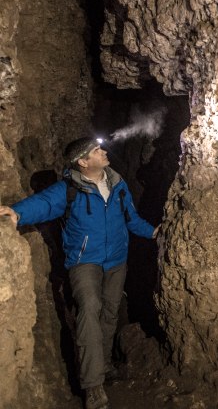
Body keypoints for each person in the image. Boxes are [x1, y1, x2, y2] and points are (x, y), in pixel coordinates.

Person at [0, 137, 159, 409]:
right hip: (85, 260)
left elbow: (131, 219)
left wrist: (154, 232)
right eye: (97, 150)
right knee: (89, 308)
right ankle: (93, 385)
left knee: (110, 311)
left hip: (117, 259)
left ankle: (105, 364)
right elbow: (43, 204)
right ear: (83, 162)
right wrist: (16, 213)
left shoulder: (118, 184)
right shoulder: (69, 190)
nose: (104, 152)